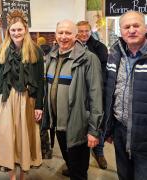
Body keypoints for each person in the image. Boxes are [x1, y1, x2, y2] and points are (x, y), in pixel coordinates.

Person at [103, 10, 147, 180]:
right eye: (126, 27)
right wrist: (108, 128)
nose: (131, 30)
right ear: (121, 31)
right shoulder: (115, 54)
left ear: (146, 28)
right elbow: (110, 92)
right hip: (120, 134)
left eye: (136, 25)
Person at [44, 19, 103, 180]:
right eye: (60, 33)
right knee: (70, 162)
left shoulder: (88, 59)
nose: (64, 36)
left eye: (68, 33)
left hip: (78, 127)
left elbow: (96, 96)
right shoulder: (51, 57)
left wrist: (93, 130)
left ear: (76, 36)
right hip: (58, 124)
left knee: (79, 171)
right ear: (55, 35)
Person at [0, 9, 44, 180]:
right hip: (6, 98)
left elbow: (40, 80)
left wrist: (40, 106)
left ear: (25, 30)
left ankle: (23, 174)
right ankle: (12, 174)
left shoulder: (35, 51)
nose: (16, 33)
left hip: (28, 99)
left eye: (19, 29)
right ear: (8, 31)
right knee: (8, 136)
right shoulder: (0, 50)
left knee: (25, 136)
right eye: (13, 30)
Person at [76, 20, 108, 170]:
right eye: (80, 31)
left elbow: (102, 73)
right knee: (80, 125)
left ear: (90, 31)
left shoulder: (100, 48)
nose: (83, 33)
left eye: (86, 31)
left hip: (95, 91)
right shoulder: (73, 46)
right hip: (78, 92)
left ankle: (99, 152)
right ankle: (79, 161)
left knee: (97, 123)